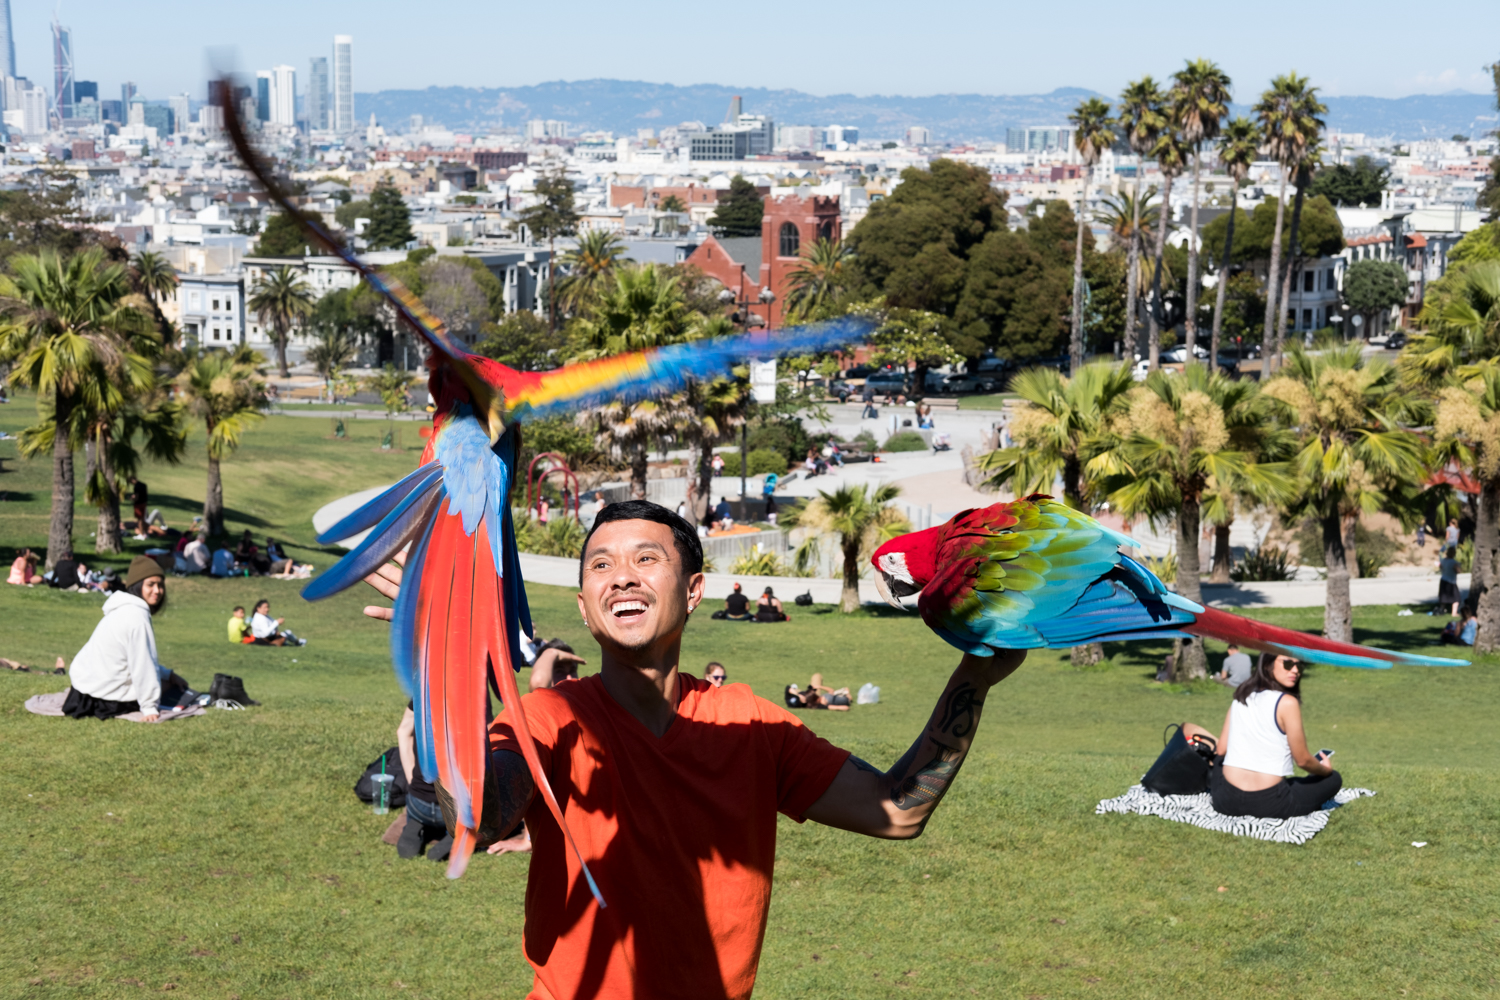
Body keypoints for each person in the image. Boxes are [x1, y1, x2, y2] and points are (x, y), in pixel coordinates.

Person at [357, 499, 1026, 998]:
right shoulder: (550, 718)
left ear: (695, 590)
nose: (621, 577)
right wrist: (451, 681)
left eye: (647, 559)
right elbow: (482, 810)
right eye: (601, 564)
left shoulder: (752, 727)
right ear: (587, 608)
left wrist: (975, 678)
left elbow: (899, 809)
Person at [1184, 654, 1342, 820]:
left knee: (1218, 761)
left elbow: (1221, 749)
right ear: (1268, 665)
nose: (1295, 670)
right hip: (1270, 805)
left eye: (1299, 665)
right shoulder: (1287, 702)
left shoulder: (1241, 697)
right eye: (1288, 664)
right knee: (1333, 779)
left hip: (1225, 801)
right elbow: (1302, 760)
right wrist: (1325, 770)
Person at [63, 556, 185, 721]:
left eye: (160, 585)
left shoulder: (122, 609)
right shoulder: (137, 617)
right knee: (170, 688)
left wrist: (167, 673)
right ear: (138, 585)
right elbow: (143, 664)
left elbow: (136, 657)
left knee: (165, 680)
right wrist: (149, 707)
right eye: (151, 585)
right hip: (105, 700)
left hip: (80, 694)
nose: (157, 591)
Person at [396, 703, 460, 861]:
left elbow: (403, 731)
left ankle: (416, 823)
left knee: (418, 811)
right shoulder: (469, 697)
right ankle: (458, 836)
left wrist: (412, 779)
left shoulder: (421, 693)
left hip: (418, 802)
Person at [1437, 546, 1462, 617]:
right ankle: (1454, 613)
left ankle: (1441, 610)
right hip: (1451, 581)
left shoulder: (1443, 560)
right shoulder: (1453, 562)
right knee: (1456, 598)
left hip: (1443, 579)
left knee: (1443, 597)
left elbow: (1441, 568)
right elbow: (1458, 571)